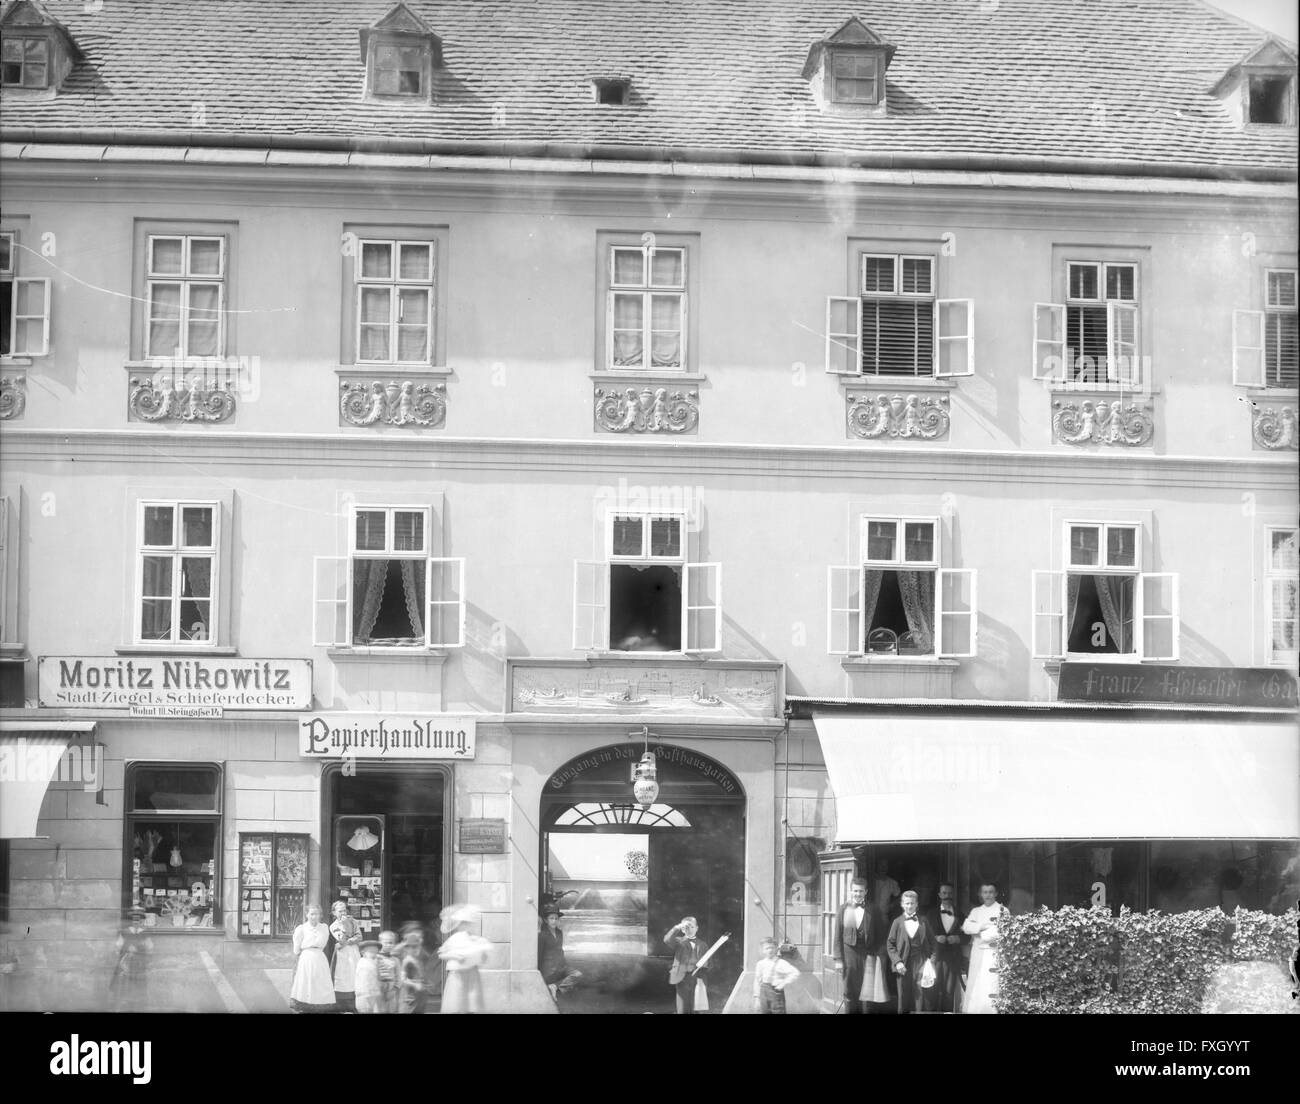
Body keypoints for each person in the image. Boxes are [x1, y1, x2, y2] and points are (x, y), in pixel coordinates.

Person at [832, 878, 888, 1013]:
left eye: (861, 891)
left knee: (867, 990)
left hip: (868, 953)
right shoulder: (844, 908)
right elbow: (837, 935)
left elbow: (881, 934)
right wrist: (838, 959)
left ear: (866, 892)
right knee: (849, 989)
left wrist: (878, 954)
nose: (858, 894)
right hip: (849, 953)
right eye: (855, 891)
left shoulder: (873, 909)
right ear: (851, 891)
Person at [887, 889, 939, 1014]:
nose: (909, 906)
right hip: (903, 963)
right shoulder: (897, 922)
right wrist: (897, 962)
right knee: (903, 995)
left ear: (917, 904)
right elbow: (890, 944)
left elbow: (934, 944)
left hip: (921, 962)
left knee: (920, 994)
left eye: (912, 903)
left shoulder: (924, 921)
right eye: (907, 903)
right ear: (902, 904)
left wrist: (931, 961)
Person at [962, 883, 1009, 1014]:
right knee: (977, 983)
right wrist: (983, 926)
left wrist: (979, 934)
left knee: (991, 984)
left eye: (990, 892)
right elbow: (966, 927)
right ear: (981, 894)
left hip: (993, 953)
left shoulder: (1002, 910)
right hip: (978, 953)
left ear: (996, 894)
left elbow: (1000, 931)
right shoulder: (976, 911)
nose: (987, 895)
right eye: (985, 892)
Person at [438, 904, 492, 1014]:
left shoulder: (478, 940)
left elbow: (484, 959)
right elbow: (441, 954)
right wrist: (455, 956)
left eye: (469, 923)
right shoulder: (455, 939)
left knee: (471, 1005)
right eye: (464, 923)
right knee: (456, 1005)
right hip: (457, 977)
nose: (466, 926)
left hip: (472, 975)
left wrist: (482, 956)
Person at [924, 882, 967, 1013]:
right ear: (939, 895)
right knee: (932, 992)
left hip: (953, 958)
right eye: (944, 893)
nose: (947, 896)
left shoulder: (960, 914)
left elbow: (968, 935)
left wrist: (958, 938)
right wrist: (936, 938)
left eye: (949, 893)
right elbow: (923, 935)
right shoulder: (930, 914)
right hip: (935, 957)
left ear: (952, 894)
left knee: (949, 993)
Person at [290, 904, 337, 1013]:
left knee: (319, 984)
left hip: (319, 957)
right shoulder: (301, 929)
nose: (314, 917)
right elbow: (296, 950)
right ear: (307, 915)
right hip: (306, 958)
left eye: (317, 914)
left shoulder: (324, 927)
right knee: (306, 984)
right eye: (312, 914)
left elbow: (323, 942)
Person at [109, 908, 153, 1012]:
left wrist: (145, 956)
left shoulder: (145, 933)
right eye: (134, 920)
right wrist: (125, 951)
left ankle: (138, 1006)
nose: (136, 922)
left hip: (140, 963)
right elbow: (117, 947)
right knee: (124, 985)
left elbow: (150, 947)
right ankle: (124, 1006)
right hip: (126, 963)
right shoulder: (125, 932)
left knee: (139, 985)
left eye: (138, 920)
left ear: (141, 921)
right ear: (131, 921)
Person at [664, 916, 710, 1014]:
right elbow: (667, 940)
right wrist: (678, 926)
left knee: (696, 1005)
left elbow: (709, 962)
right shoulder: (678, 941)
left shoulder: (703, 944)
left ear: (697, 928)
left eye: (692, 927)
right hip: (682, 977)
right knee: (683, 1006)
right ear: (683, 929)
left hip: (698, 977)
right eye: (687, 928)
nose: (690, 930)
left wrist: (705, 965)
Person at [537, 904, 580, 1003]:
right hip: (549, 970)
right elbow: (539, 954)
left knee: (577, 975)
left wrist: (565, 965)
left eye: (556, 918)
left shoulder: (559, 932)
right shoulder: (542, 935)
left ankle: (555, 987)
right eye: (551, 918)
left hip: (560, 967)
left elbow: (560, 950)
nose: (554, 921)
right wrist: (539, 972)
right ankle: (553, 987)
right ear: (546, 920)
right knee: (565, 979)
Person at [752, 937, 800, 1014]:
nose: (770, 950)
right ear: (763, 951)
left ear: (776, 949)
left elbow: (795, 973)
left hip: (776, 995)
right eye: (767, 948)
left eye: (772, 948)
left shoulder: (781, 963)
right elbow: (757, 981)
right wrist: (757, 998)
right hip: (764, 994)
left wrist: (783, 983)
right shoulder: (760, 964)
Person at [329, 899, 361, 1013]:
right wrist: (344, 924)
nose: (343, 913)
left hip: (354, 952)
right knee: (343, 978)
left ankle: (355, 1005)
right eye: (340, 911)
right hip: (342, 955)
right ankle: (343, 1007)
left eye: (344, 911)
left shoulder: (353, 921)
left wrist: (347, 940)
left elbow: (359, 937)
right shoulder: (333, 926)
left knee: (354, 975)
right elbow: (341, 939)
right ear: (334, 912)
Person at [398, 921, 433, 1015]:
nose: (416, 948)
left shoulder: (420, 955)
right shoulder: (407, 959)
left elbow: (423, 968)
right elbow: (403, 978)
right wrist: (415, 985)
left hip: (420, 994)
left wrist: (426, 983)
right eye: (412, 947)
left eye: (420, 937)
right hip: (409, 994)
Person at [354, 940, 383, 1014]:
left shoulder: (376, 962)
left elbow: (378, 976)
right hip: (364, 993)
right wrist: (360, 992)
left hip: (375, 992)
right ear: (363, 953)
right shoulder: (362, 962)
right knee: (365, 1009)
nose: (374, 954)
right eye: (371, 952)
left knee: (376, 1009)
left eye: (376, 952)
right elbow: (361, 979)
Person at [377, 929, 401, 1014]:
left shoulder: (396, 960)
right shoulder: (375, 958)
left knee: (392, 1009)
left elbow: (398, 977)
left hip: (391, 990)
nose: (389, 945)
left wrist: (394, 990)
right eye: (386, 942)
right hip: (377, 990)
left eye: (391, 943)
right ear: (380, 943)